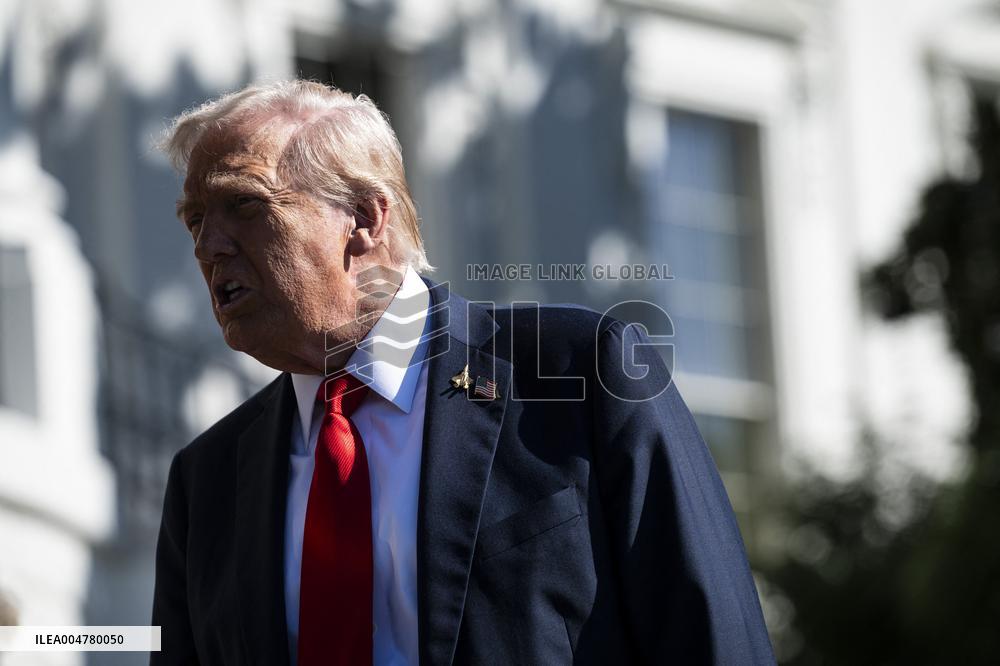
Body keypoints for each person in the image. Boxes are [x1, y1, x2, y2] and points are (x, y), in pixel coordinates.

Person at [151, 79, 774, 666]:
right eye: (195, 220)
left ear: (365, 221)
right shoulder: (206, 480)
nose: (209, 247)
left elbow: (714, 640)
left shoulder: (581, 374)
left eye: (244, 204)